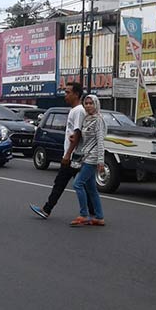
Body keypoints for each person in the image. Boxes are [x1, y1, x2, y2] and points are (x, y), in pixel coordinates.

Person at [29, 81, 95, 219]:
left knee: (61, 183)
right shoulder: (76, 110)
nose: (65, 95)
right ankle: (94, 213)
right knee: (83, 185)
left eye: (68, 92)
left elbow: (76, 134)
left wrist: (68, 154)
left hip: (74, 156)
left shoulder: (78, 111)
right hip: (76, 155)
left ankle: (47, 209)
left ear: (76, 94)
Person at [70, 94, 106, 226]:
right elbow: (83, 140)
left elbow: (100, 141)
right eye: (87, 103)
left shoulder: (98, 120)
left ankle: (84, 214)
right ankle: (99, 216)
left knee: (78, 184)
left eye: (91, 103)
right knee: (91, 188)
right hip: (85, 156)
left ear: (96, 104)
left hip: (93, 157)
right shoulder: (86, 119)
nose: (89, 105)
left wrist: (101, 161)